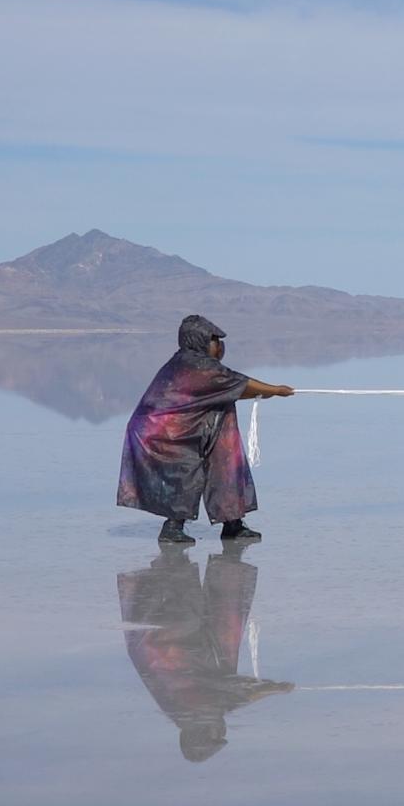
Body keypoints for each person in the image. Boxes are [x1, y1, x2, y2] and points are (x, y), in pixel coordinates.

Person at [119, 314, 294, 544]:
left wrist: (265, 392)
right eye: (214, 341)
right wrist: (276, 390)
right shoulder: (194, 365)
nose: (219, 346)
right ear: (199, 340)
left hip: (187, 427)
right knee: (183, 471)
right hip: (162, 434)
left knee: (224, 454)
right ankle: (172, 526)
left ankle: (232, 521)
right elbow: (237, 383)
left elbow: (230, 388)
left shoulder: (201, 366)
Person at [117, 544, 293, 762]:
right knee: (223, 629)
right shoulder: (184, 712)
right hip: (194, 651)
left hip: (170, 642)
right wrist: (270, 688)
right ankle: (225, 564)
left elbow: (227, 693)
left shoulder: (192, 710)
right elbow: (225, 695)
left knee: (183, 603)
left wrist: (272, 688)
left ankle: (175, 558)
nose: (221, 730)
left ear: (201, 734)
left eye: (217, 735)